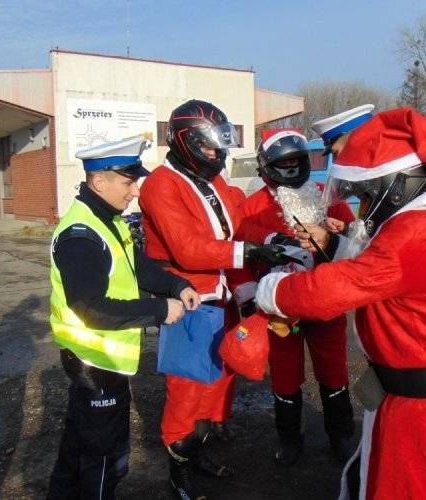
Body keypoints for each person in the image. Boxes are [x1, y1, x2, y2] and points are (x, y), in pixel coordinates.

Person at [256, 107, 426, 499]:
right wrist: (334, 243)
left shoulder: (420, 229)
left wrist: (272, 288)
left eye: (368, 194)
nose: (364, 207)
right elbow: (388, 272)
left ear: (397, 185)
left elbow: (332, 290)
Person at [140, 99, 296, 499]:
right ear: (186, 141)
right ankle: (178, 470)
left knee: (217, 379)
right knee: (187, 387)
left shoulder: (212, 181)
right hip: (189, 300)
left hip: (222, 297)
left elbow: (241, 222)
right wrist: (249, 253)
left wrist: (273, 237)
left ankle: (198, 450)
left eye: (219, 145)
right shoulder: (162, 184)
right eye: (210, 146)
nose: (218, 153)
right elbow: (188, 249)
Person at [47, 135, 200, 499]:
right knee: (105, 459)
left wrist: (176, 285)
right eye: (128, 182)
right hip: (95, 363)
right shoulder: (81, 235)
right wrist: (160, 310)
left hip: (104, 361)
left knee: (77, 449)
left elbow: (138, 268)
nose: (135, 192)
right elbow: (92, 308)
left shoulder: (108, 221)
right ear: (99, 181)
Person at [241, 128, 356, 466]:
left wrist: (340, 233)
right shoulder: (253, 206)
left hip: (326, 301)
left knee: (334, 370)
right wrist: (247, 294)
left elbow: (352, 239)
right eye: (284, 162)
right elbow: (240, 251)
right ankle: (289, 438)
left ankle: (341, 435)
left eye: (297, 160)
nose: (291, 167)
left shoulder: (327, 196)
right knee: (285, 373)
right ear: (267, 165)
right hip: (280, 307)